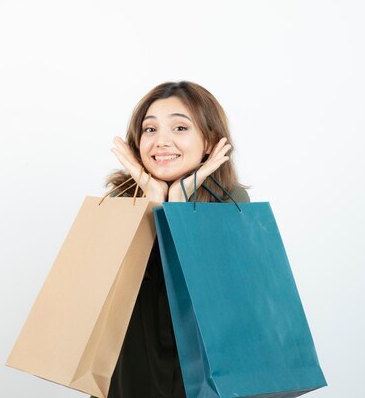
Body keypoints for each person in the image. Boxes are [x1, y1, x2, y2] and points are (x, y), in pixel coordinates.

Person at [94, 81, 250, 398]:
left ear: (208, 140)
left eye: (180, 127)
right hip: (130, 366)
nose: (161, 141)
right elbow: (100, 294)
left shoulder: (230, 200)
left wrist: (176, 206)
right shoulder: (119, 199)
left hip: (204, 371)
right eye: (149, 130)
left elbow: (218, 299)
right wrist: (151, 201)